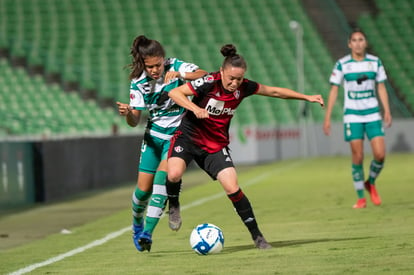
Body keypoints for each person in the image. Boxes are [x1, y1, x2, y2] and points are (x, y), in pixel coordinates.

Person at [165, 44, 324, 249]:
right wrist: (195, 108)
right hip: (188, 138)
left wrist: (306, 97)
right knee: (174, 174)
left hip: (215, 144)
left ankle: (258, 237)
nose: (234, 83)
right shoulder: (208, 81)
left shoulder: (244, 87)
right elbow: (176, 93)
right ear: (222, 71)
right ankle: (174, 204)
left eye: (239, 79)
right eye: (231, 78)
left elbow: (274, 91)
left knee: (232, 186)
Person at [117, 35, 207, 252]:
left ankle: (147, 233)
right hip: (153, 137)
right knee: (142, 191)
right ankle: (137, 225)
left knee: (163, 177)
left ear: (164, 60)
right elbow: (134, 121)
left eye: (158, 65)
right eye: (150, 67)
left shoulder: (175, 66)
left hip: (177, 135)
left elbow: (204, 75)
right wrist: (128, 113)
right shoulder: (138, 81)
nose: (155, 70)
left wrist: (182, 74)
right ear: (143, 64)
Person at [323, 29, 392, 209]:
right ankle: (361, 197)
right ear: (349, 44)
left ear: (365, 43)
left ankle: (371, 182)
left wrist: (387, 110)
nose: (358, 43)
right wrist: (327, 117)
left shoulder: (375, 62)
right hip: (352, 115)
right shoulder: (342, 64)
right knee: (358, 155)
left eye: (361, 39)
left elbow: (382, 87)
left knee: (380, 154)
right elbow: (334, 90)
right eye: (354, 40)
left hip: (373, 113)